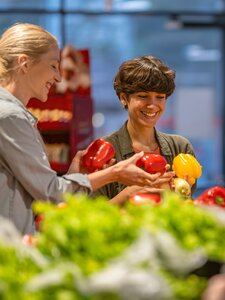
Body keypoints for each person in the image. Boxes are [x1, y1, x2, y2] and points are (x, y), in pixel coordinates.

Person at [0, 23, 168, 235]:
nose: (59, 77)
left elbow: (36, 191)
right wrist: (114, 173)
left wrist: (73, 174)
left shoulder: (13, 115)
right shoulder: (10, 117)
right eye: (53, 66)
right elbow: (50, 193)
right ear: (24, 63)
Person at [92, 55, 196, 204]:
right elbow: (93, 214)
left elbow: (187, 209)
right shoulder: (103, 152)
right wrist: (128, 194)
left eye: (160, 97)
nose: (152, 105)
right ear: (124, 98)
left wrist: (180, 196)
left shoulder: (181, 148)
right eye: (143, 96)